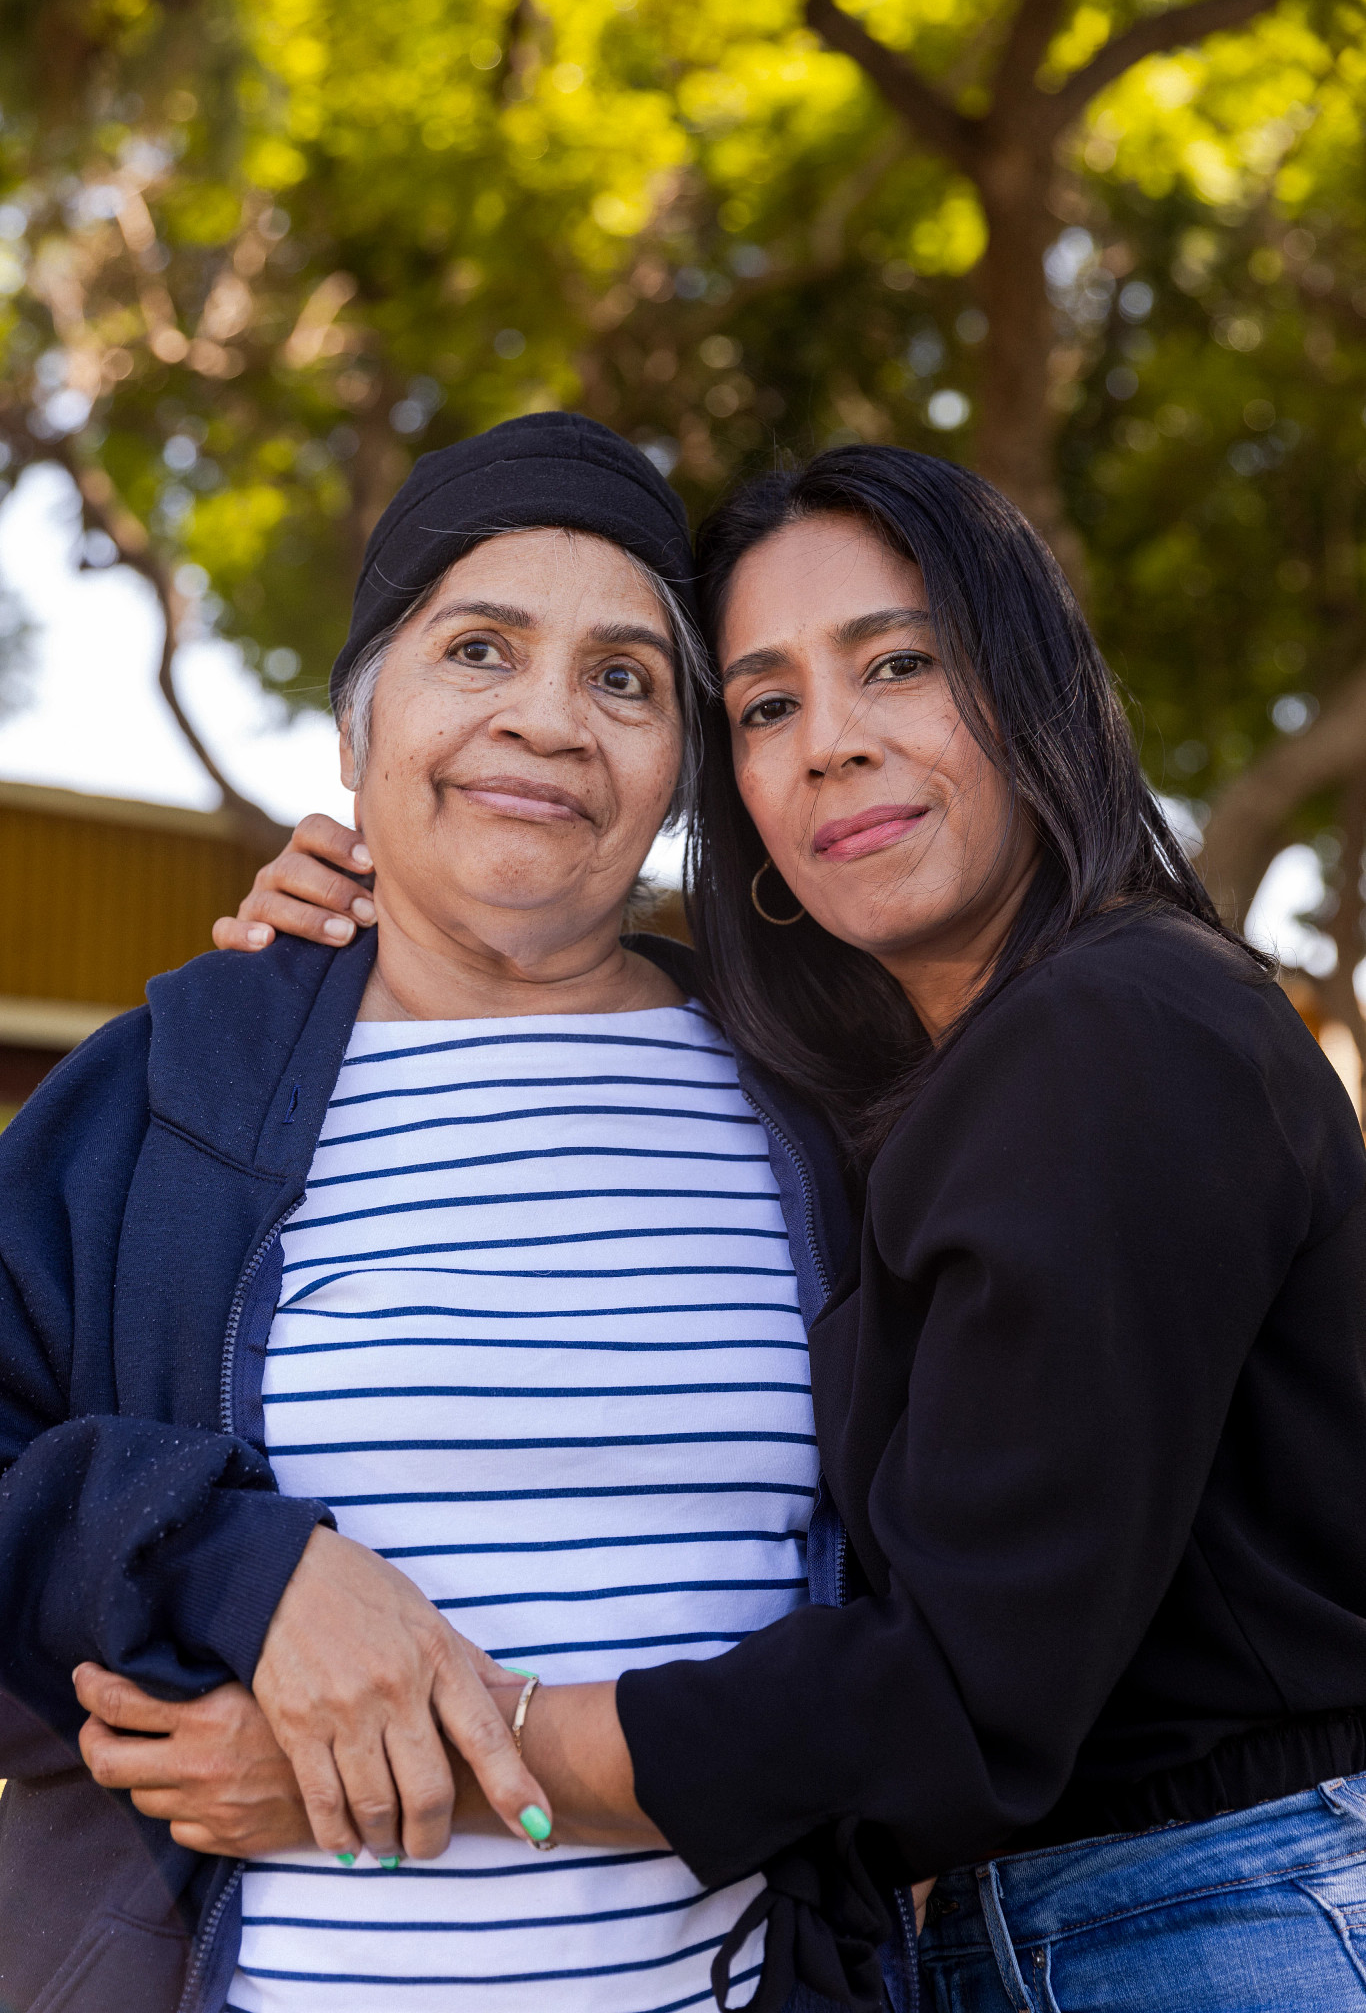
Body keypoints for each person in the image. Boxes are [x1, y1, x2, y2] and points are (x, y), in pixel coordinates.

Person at [216, 442, 1366, 2012]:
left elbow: (952, 1690)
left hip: (1213, 1923)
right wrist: (388, 916)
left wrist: (414, 1753)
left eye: (897, 664)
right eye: (763, 707)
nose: (831, 745)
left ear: (1030, 682)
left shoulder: (1108, 1032)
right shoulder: (910, 1085)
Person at [0, 412, 866, 2013]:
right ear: (356, 727)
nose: (546, 718)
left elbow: (936, 1638)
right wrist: (234, 1563)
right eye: (478, 649)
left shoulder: (821, 1108)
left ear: (681, 772)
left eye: (624, 679)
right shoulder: (171, 1092)